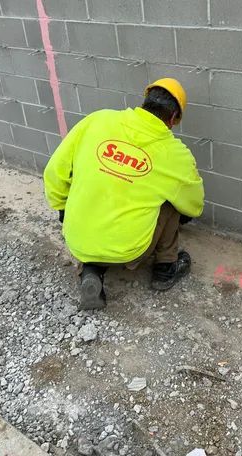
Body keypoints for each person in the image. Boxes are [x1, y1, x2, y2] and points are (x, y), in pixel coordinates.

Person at [43, 78, 204, 310]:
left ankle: (91, 269)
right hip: (129, 249)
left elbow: (54, 171)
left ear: (144, 102)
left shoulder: (97, 120)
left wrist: (62, 208)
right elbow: (194, 205)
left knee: (98, 187)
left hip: (76, 238)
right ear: (173, 119)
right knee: (173, 202)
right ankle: (166, 268)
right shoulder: (175, 154)